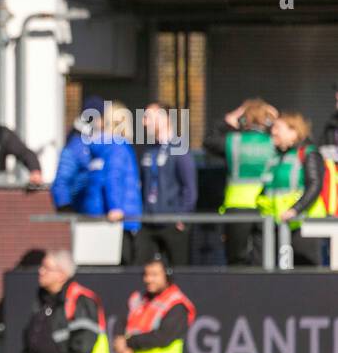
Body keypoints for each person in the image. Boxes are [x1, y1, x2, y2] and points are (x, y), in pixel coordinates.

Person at [203, 98, 277, 266]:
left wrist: (229, 118)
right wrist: (274, 119)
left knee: (235, 260)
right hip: (266, 206)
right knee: (264, 260)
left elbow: (208, 140)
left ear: (242, 120)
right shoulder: (274, 142)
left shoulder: (233, 141)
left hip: (236, 206)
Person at [258, 112, 327, 267]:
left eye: (278, 128)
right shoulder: (277, 157)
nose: (273, 132)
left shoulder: (308, 153)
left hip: (304, 224)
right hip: (279, 224)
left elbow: (315, 185)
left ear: (294, 132)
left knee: (307, 272)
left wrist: (295, 210)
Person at [135, 102, 197, 265]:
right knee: (141, 267)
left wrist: (182, 216)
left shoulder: (179, 148)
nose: (144, 122)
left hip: (172, 223)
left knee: (178, 272)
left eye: (148, 117)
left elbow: (189, 187)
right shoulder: (148, 150)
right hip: (148, 222)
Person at [93, 100, 142, 264]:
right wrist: (116, 208)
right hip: (123, 218)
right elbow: (113, 178)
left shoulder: (105, 147)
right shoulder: (119, 147)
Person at [51, 96, 105, 214]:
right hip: (82, 211)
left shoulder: (98, 142)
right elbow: (61, 180)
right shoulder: (77, 146)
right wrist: (65, 207)